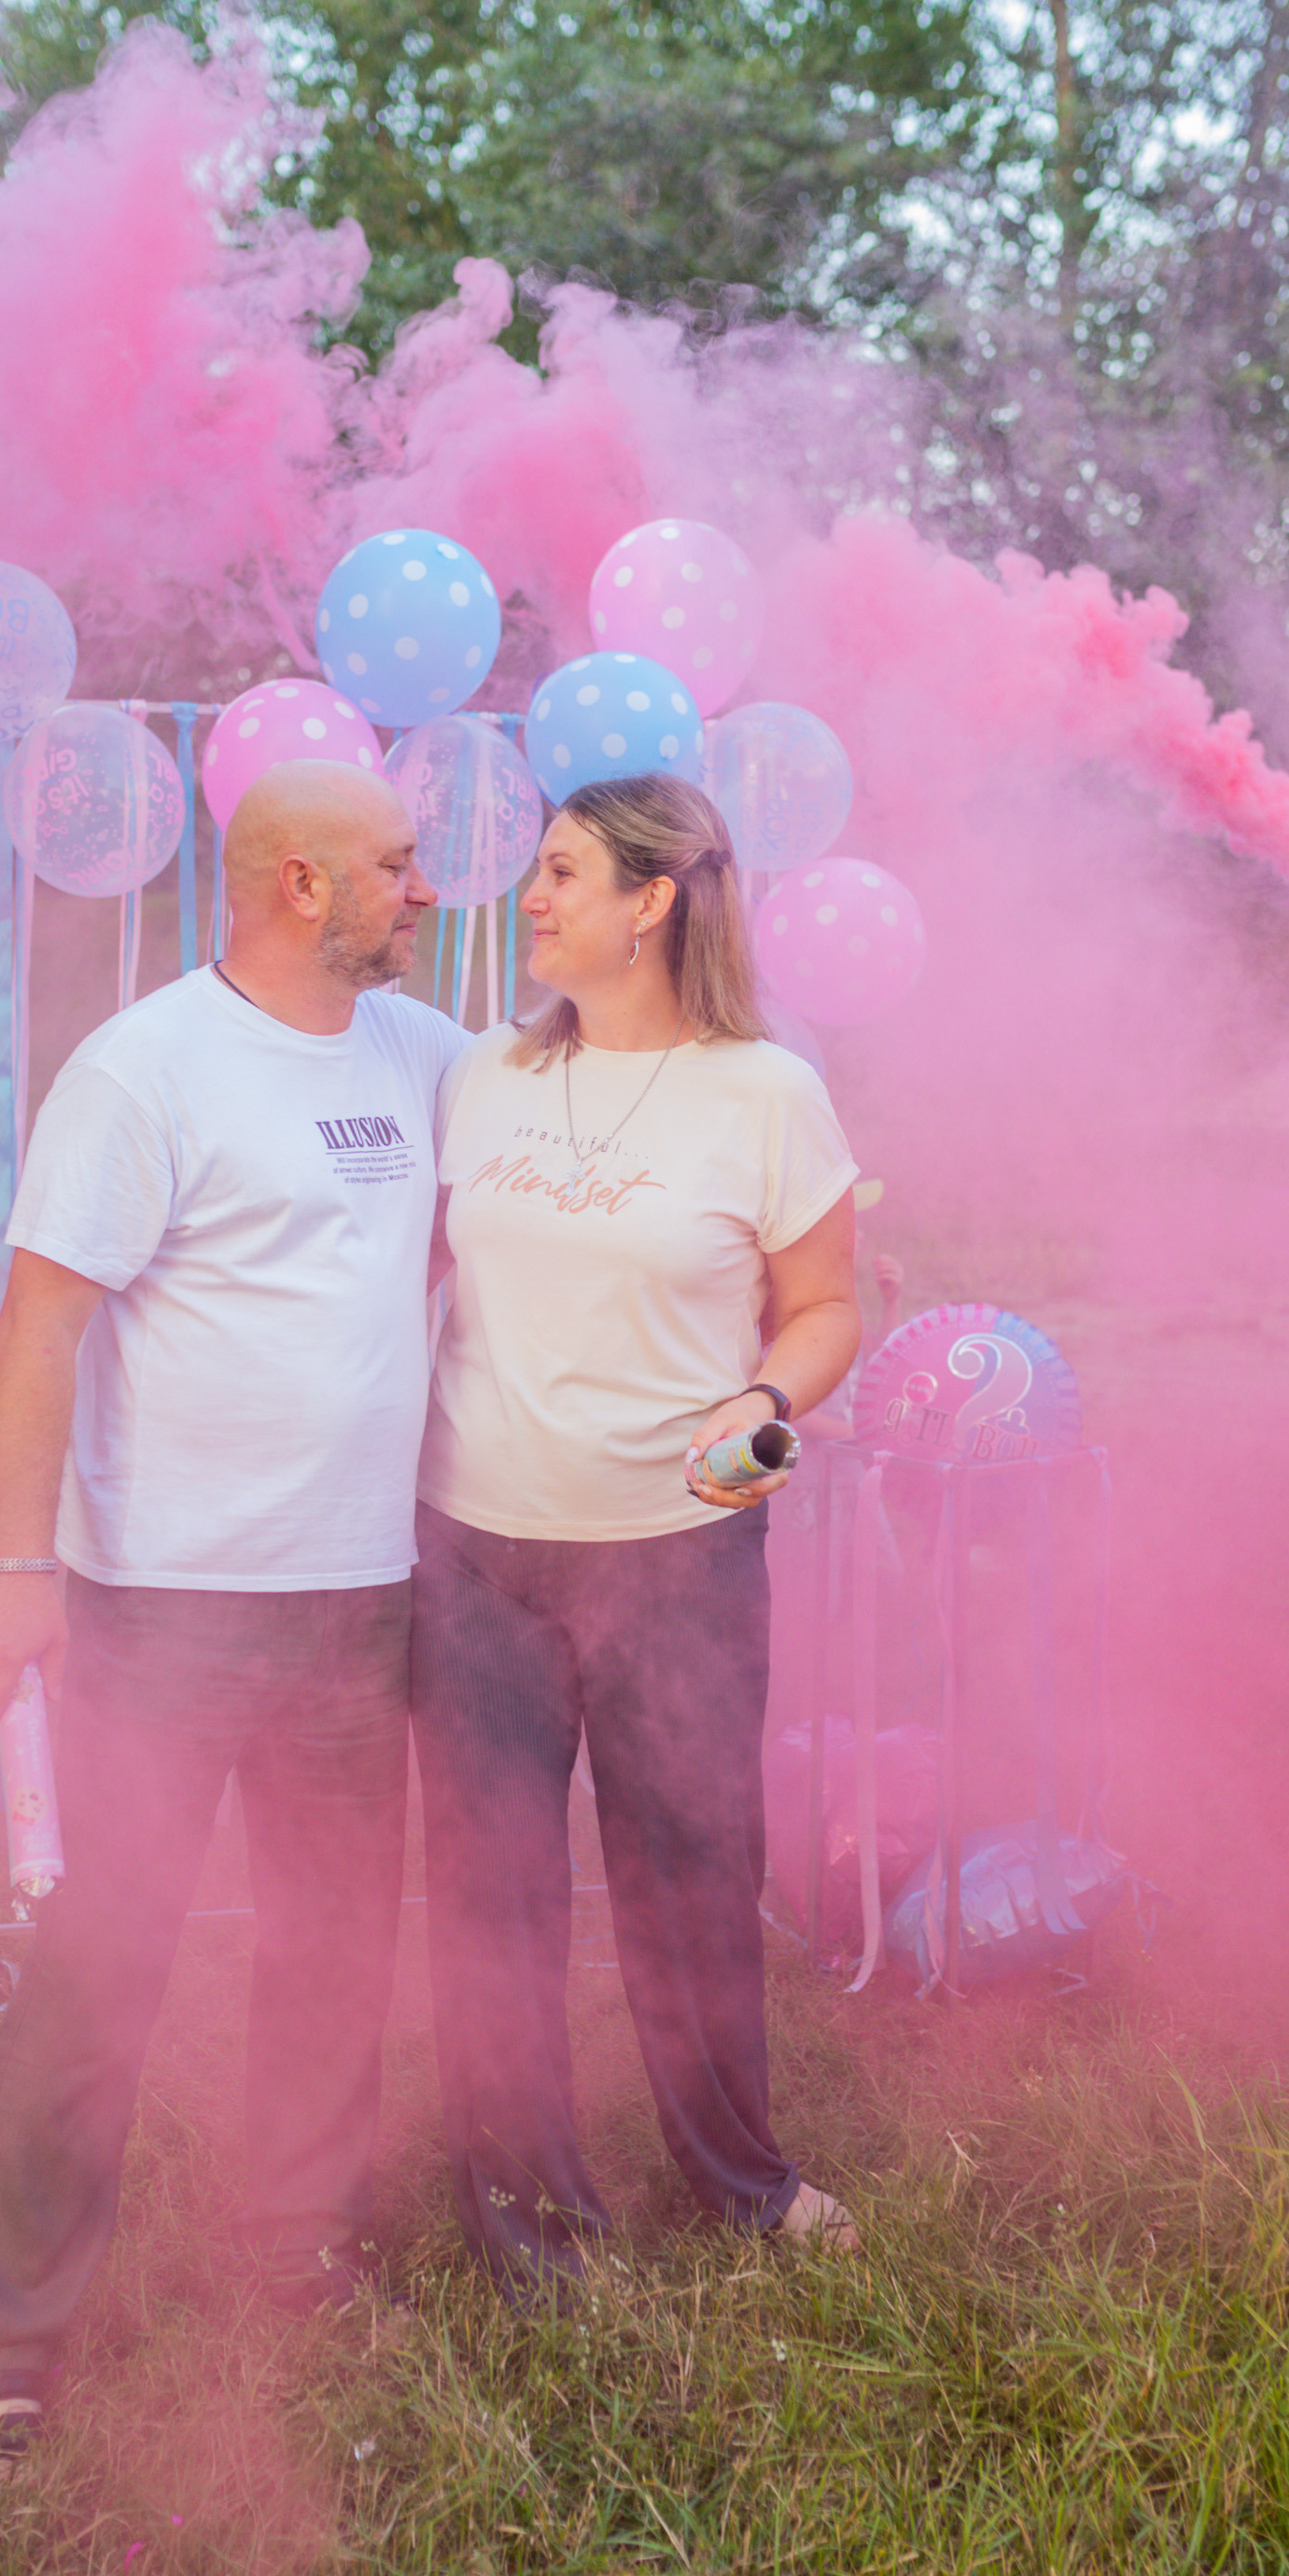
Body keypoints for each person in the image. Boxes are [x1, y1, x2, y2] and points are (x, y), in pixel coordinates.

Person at [0, 759, 462, 2474]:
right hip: (166, 1604)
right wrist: (14, 1569)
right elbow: (39, 1328)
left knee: (334, 1947)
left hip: (358, 1595)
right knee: (106, 1968)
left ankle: (292, 2254)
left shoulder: (421, 1054)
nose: (427, 888)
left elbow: (567, 1162)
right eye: (397, 863)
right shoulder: (144, 1068)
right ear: (302, 883)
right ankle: (10, 2345)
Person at [411, 772, 864, 2295]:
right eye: (534, 872)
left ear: (651, 901)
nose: (529, 898)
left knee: (690, 1881)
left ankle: (738, 2180)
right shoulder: (482, 1074)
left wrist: (764, 1401)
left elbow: (824, 1306)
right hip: (473, 1557)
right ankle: (526, 2216)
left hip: (674, 1558)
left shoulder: (764, 1093)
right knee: (490, 1895)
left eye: (560, 873)